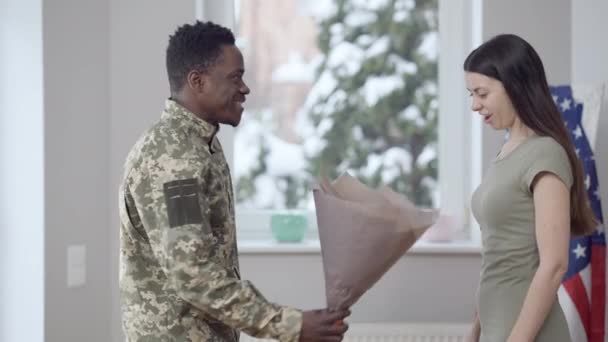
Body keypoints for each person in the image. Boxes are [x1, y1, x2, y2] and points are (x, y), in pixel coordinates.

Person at [118, 20, 349, 342]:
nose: (245, 88)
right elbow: (193, 274)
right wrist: (289, 325)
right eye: (235, 77)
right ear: (197, 82)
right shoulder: (173, 159)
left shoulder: (199, 145)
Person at [463, 34, 597, 341]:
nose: (474, 105)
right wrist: (474, 332)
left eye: (481, 93)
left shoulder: (545, 153)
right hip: (497, 326)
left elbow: (554, 265)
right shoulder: (507, 151)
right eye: (470, 94)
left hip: (528, 333)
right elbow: (496, 257)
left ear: (514, 86)